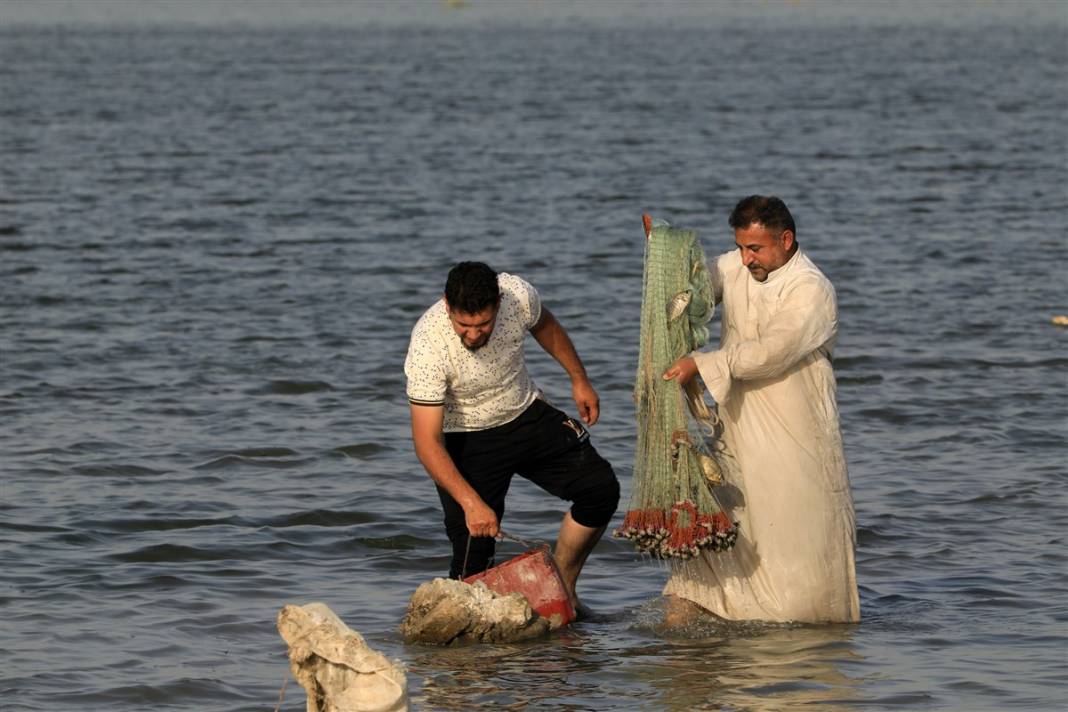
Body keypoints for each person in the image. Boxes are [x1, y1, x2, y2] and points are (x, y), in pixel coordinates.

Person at [661, 195, 860, 623]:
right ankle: (707, 608)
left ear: (786, 240)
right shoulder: (737, 266)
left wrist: (702, 362)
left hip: (795, 430)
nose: (746, 258)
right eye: (740, 247)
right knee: (731, 514)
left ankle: (800, 623)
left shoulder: (811, 289)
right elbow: (695, 290)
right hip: (737, 423)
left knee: (793, 524)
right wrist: (666, 259)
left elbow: (773, 351)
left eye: (756, 249)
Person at [404, 261, 619, 613]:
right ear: (447, 305)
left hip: (524, 413)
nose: (473, 334)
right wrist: (471, 503)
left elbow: (546, 325)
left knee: (600, 490)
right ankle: (466, 662)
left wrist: (578, 378)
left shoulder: (517, 295)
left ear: (498, 305)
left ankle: (564, 587)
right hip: (466, 438)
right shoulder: (428, 345)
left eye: (483, 324)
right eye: (464, 325)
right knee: (473, 558)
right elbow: (427, 443)